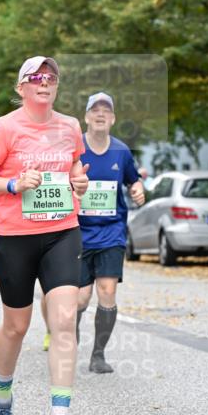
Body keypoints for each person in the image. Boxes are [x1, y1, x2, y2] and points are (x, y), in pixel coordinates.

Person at [0, 56, 90, 415]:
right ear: (21, 87)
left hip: (61, 232)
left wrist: (79, 181)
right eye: (36, 77)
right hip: (14, 237)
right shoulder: (4, 127)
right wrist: (13, 183)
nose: (45, 82)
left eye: (51, 77)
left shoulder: (71, 126)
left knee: (64, 320)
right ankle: (4, 399)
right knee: (16, 328)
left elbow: (76, 168)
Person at [73, 92, 145, 373]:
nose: (100, 114)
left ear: (113, 119)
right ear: (87, 116)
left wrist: (138, 189)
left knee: (107, 291)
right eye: (95, 110)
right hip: (78, 232)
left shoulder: (121, 151)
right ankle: (70, 333)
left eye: (106, 110)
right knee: (80, 297)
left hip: (111, 232)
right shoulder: (74, 147)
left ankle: (98, 355)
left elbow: (133, 180)